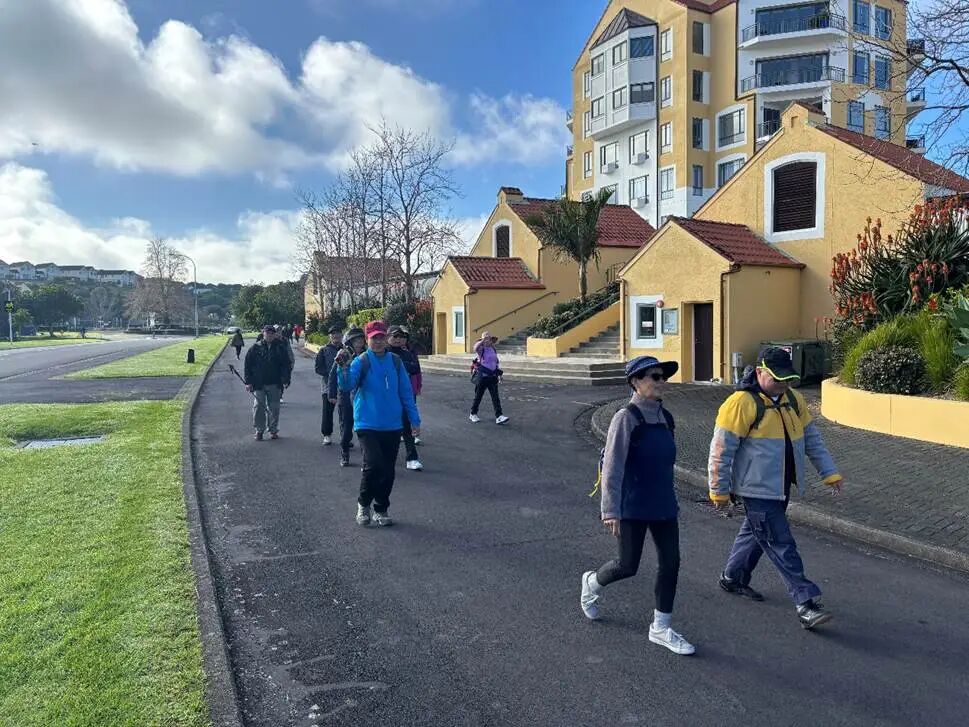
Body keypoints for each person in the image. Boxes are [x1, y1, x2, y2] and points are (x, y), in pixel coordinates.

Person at [708, 346, 844, 630]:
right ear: (760, 372)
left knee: (757, 533)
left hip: (781, 485)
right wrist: (718, 490)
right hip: (756, 489)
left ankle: (732, 578)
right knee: (780, 542)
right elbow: (721, 450)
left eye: (788, 379)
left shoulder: (793, 399)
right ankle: (805, 602)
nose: (784, 384)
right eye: (777, 379)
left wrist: (829, 473)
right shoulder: (740, 403)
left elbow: (812, 438)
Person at [580, 356, 695, 656]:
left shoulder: (666, 417)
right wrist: (610, 510)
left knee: (671, 562)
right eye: (654, 376)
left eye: (663, 377)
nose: (661, 382)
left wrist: (672, 498)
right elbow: (613, 466)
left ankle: (661, 627)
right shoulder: (625, 417)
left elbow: (664, 465)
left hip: (663, 504)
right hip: (632, 505)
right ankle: (592, 583)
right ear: (635, 381)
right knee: (627, 565)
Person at [336, 321, 421, 527]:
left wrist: (414, 419)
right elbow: (347, 385)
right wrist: (343, 368)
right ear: (367, 339)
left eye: (381, 337)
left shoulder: (396, 362)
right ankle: (363, 503)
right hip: (367, 423)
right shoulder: (362, 361)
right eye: (374, 338)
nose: (378, 341)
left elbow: (406, 393)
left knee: (388, 470)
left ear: (386, 339)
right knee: (373, 464)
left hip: (392, 424)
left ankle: (381, 508)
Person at [243, 324, 292, 441]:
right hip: (258, 383)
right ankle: (259, 430)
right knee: (258, 407)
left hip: (275, 382)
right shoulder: (255, 348)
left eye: (271, 333)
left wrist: (286, 379)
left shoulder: (280, 348)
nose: (269, 335)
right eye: (267, 333)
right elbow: (247, 365)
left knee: (274, 408)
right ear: (263, 333)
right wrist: (248, 382)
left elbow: (286, 365)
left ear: (274, 334)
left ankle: (273, 430)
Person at [388, 325, 424, 470]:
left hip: (403, 394)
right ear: (388, 337)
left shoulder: (407, 353)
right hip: (386, 395)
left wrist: (401, 365)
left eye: (401, 337)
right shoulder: (383, 353)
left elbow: (415, 369)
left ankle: (412, 457)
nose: (398, 339)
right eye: (395, 336)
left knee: (406, 425)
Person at [329, 327, 366, 466]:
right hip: (345, 396)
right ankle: (344, 453)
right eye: (356, 340)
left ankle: (367, 456)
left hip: (362, 395)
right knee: (346, 427)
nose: (359, 342)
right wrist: (332, 394)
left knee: (364, 428)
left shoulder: (367, 355)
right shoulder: (344, 354)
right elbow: (333, 375)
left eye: (361, 339)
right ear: (350, 341)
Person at [469, 331, 509, 425]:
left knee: (495, 397)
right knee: (478, 396)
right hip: (483, 377)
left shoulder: (493, 349)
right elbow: (475, 348)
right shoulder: (481, 349)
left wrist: (499, 374)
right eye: (486, 339)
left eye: (489, 339)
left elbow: (496, 362)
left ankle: (499, 416)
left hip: (492, 376)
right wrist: (482, 340)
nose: (488, 340)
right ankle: (473, 413)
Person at [315, 324, 343, 445]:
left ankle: (345, 436)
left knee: (344, 412)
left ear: (342, 335)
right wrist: (331, 374)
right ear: (330, 336)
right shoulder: (324, 350)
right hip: (327, 385)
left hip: (343, 385)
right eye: (333, 334)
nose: (336, 336)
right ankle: (327, 434)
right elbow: (318, 368)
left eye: (338, 333)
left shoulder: (346, 349)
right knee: (327, 411)